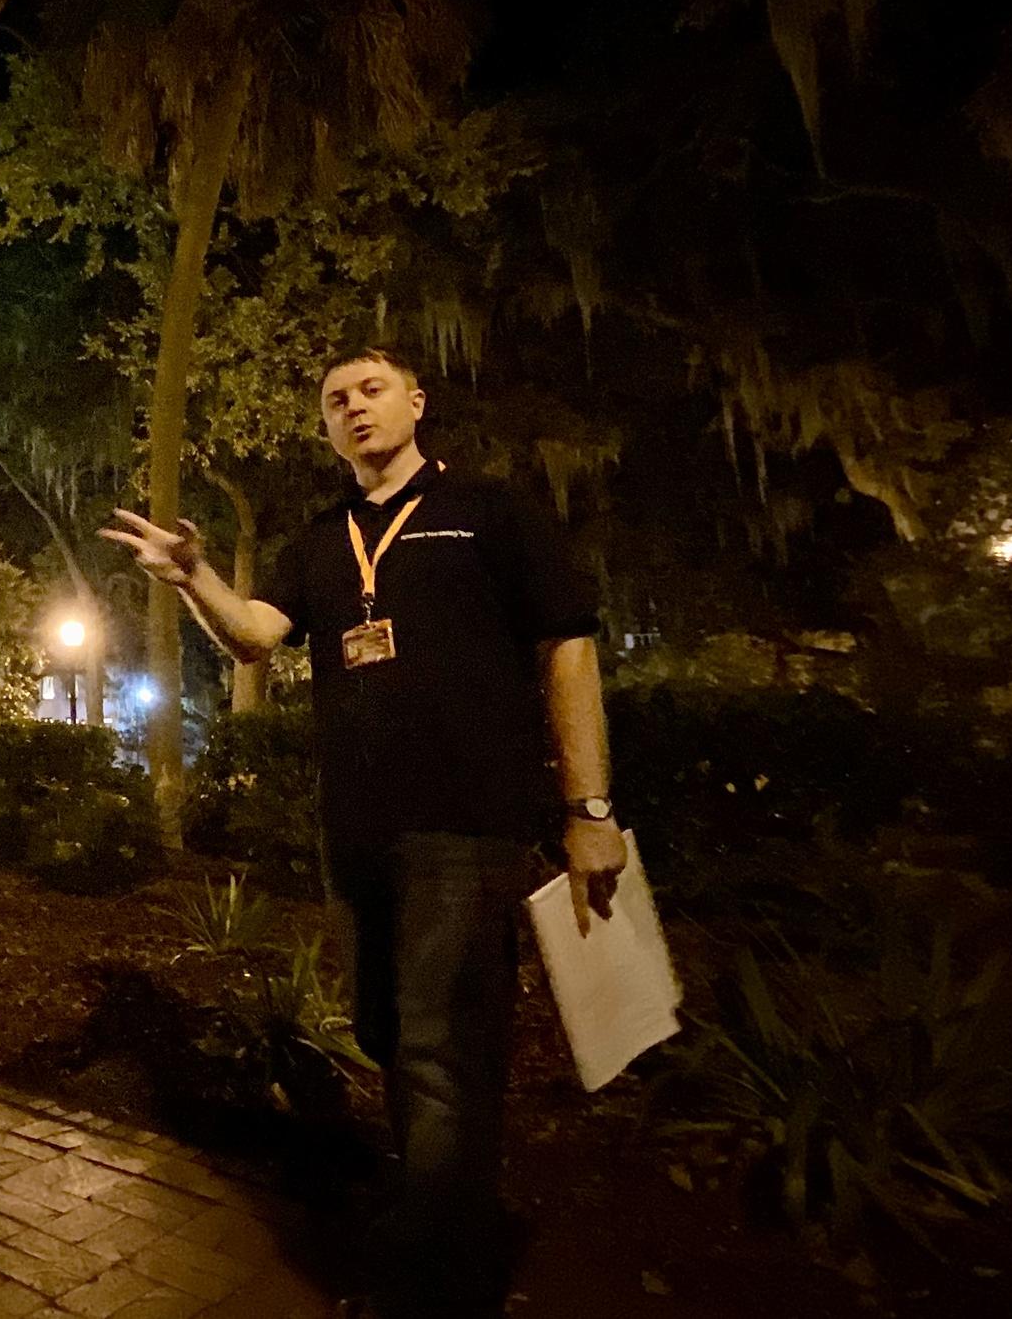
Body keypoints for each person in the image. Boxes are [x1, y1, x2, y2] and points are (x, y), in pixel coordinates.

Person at [101, 341, 626, 1318]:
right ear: (325, 424)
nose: (354, 406)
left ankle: (434, 1281)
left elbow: (569, 651)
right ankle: (441, 1219)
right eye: (336, 397)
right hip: (358, 836)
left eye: (372, 389)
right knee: (392, 1036)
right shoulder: (320, 539)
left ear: (416, 403)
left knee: (439, 1047)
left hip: (463, 830)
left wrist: (588, 810)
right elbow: (258, 632)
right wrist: (191, 576)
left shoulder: (490, 513)